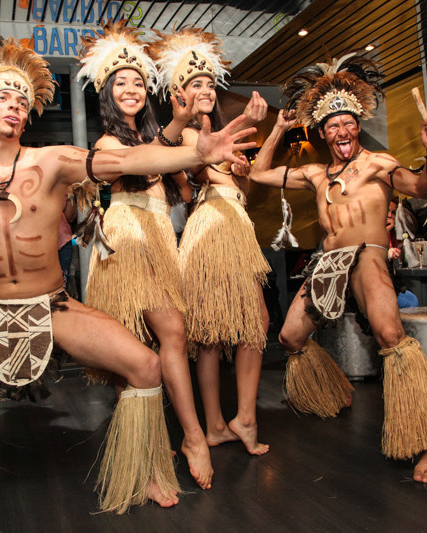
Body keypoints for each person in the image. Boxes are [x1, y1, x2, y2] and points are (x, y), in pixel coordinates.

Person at [0, 36, 256, 526]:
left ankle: (145, 469)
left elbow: (125, 162)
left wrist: (194, 153)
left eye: (21, 100)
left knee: (146, 366)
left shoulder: (52, 161)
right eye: (1, 97)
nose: (14, 106)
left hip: (53, 306)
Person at [248, 53, 427, 483]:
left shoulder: (378, 165)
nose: (341, 131)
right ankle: (335, 390)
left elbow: (422, 186)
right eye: (333, 126)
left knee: (391, 336)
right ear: (322, 133)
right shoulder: (315, 174)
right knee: (289, 337)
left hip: (369, 255)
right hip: (328, 262)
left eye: (348, 123)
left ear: (357, 126)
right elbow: (258, 173)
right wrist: (279, 129)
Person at [77, 22, 213, 489]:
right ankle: (186, 438)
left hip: (158, 238)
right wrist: (177, 126)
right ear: (107, 94)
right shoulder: (108, 143)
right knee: (157, 336)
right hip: (128, 239)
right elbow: (145, 160)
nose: (131, 89)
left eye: (138, 82)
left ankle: (150, 443)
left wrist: (192, 147)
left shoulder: (153, 140)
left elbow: (182, 183)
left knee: (155, 338)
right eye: (121, 83)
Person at [149, 28, 270, 456]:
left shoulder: (220, 133)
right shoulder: (186, 133)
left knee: (228, 328)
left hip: (233, 222)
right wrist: (244, 127)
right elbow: (184, 156)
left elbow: (243, 189)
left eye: (209, 83)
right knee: (225, 328)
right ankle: (233, 420)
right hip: (213, 228)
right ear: (179, 93)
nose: (205, 89)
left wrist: (244, 165)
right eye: (194, 83)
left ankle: (223, 423)